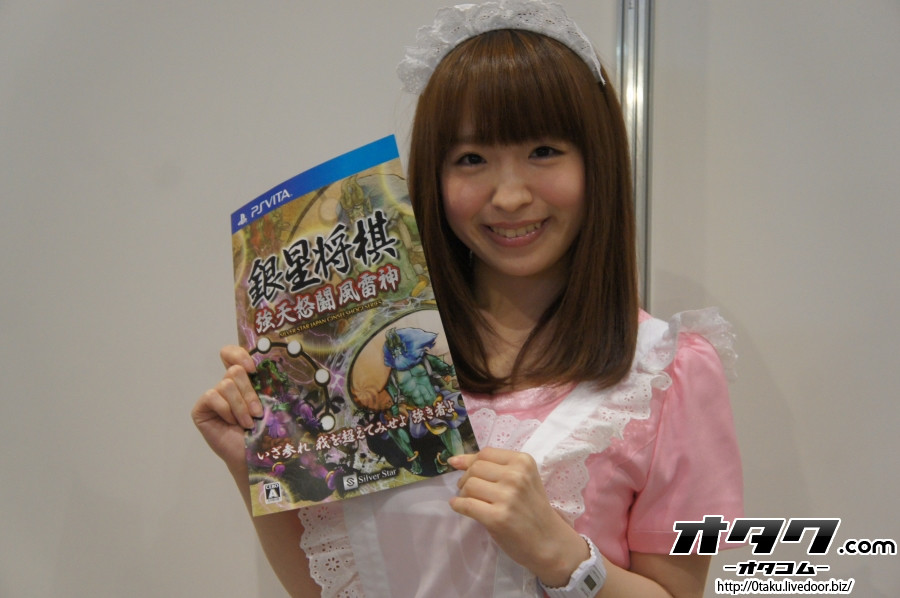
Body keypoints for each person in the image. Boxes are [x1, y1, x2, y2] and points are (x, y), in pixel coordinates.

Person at [192, 1, 743, 596]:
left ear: (597, 161)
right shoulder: (369, 359)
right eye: (472, 159)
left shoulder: (672, 374)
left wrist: (562, 555)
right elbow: (330, 586)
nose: (509, 196)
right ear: (436, 176)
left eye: (543, 151)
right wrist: (252, 459)